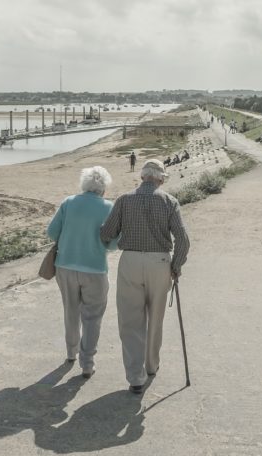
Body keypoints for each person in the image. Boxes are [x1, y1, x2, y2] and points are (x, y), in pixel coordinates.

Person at [100, 159, 190, 395]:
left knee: (130, 320)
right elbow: (183, 239)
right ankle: (151, 364)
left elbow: (107, 232)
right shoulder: (169, 201)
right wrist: (176, 265)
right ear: (160, 179)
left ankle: (135, 376)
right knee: (155, 317)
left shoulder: (124, 200)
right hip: (159, 262)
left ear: (142, 177)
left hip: (130, 261)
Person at [47, 166, 117, 379]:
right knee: (92, 317)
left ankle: (71, 352)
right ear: (103, 187)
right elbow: (114, 244)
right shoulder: (108, 207)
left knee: (71, 310)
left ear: (84, 184)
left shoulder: (68, 203)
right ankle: (87, 363)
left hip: (65, 266)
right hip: (94, 269)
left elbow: (52, 232)